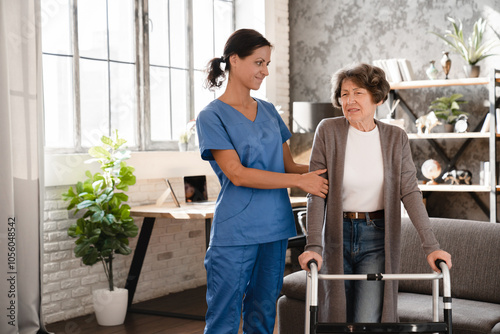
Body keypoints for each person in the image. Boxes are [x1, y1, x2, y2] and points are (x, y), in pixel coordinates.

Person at [196, 29, 329, 334]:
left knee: (263, 312)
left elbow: (289, 164)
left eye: (267, 63)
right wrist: (300, 181)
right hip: (236, 230)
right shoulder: (212, 116)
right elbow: (237, 173)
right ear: (234, 60)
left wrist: (336, 165)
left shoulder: (268, 110)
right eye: (258, 62)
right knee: (224, 316)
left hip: (276, 227)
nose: (265, 71)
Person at [298, 63, 452, 324]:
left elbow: (411, 193)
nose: (349, 100)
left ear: (377, 97)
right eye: (344, 94)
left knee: (368, 320)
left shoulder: (395, 137)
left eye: (357, 92)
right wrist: (313, 245)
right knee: (334, 319)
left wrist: (432, 247)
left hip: (376, 238)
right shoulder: (328, 131)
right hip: (336, 234)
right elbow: (316, 193)